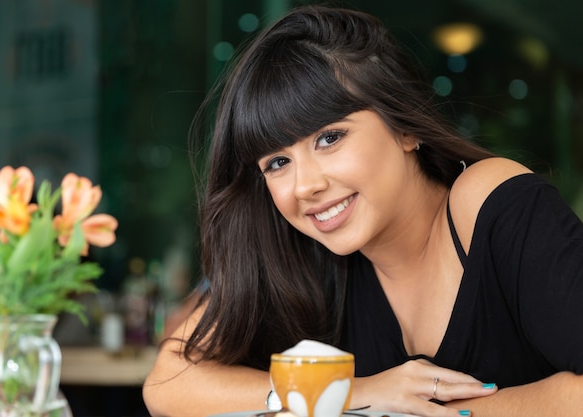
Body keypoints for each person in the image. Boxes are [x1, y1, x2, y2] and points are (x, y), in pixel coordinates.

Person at [143, 5, 583, 417]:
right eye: (277, 163)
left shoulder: (485, 202)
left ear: (405, 127)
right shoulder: (303, 253)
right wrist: (358, 393)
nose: (306, 186)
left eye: (330, 138)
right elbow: (169, 381)